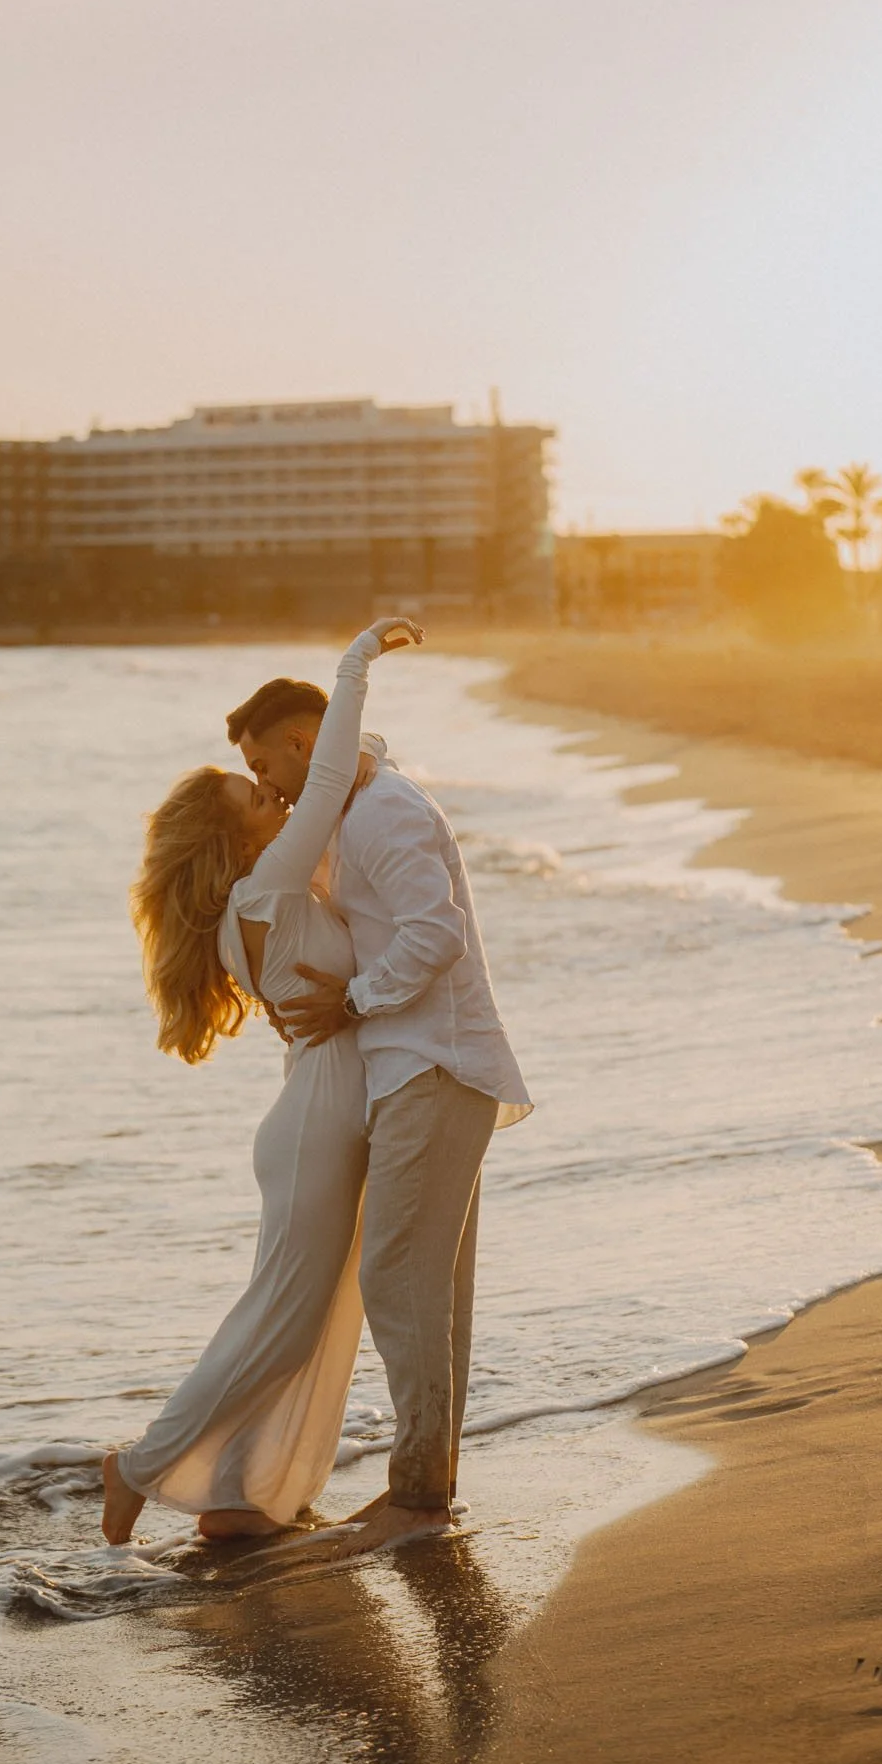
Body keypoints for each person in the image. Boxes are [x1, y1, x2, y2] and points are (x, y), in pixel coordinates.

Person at [101, 615, 423, 1546]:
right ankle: (137, 1467)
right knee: (283, 1323)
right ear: (232, 833)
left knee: (314, 1317)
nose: (270, 795)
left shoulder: (265, 897)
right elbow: (328, 777)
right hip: (320, 1117)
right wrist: (356, 662)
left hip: (317, 1113)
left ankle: (240, 1501)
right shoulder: (267, 887)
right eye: (253, 793)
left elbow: (348, 787)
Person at [232, 657, 531, 1556]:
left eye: (262, 768)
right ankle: (427, 1489)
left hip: (432, 1064)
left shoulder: (385, 810)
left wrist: (352, 1003)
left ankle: (418, 1496)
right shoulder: (360, 808)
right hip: (424, 1066)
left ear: (298, 743)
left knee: (396, 1277)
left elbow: (434, 934)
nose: (266, 788)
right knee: (427, 1287)